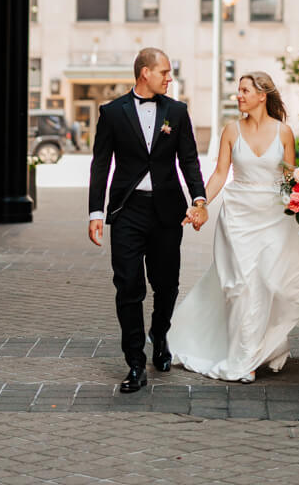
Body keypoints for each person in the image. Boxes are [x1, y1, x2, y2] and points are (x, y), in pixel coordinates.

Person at [168, 71, 299, 382]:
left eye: (245, 90)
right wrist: (200, 203)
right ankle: (245, 358)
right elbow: (221, 174)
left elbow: (291, 180)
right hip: (238, 218)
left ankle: (266, 346)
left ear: (262, 95)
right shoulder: (231, 131)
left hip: (274, 219)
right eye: (238, 91)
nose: (239, 96)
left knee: (269, 282)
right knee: (241, 286)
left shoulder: (284, 132)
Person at [88, 47, 208, 394]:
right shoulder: (112, 113)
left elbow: (189, 160)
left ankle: (160, 333)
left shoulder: (177, 111)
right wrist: (96, 212)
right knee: (128, 286)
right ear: (145, 73)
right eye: (165, 72)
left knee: (167, 283)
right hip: (127, 210)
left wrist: (198, 199)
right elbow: (100, 164)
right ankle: (135, 363)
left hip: (168, 211)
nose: (170, 78)